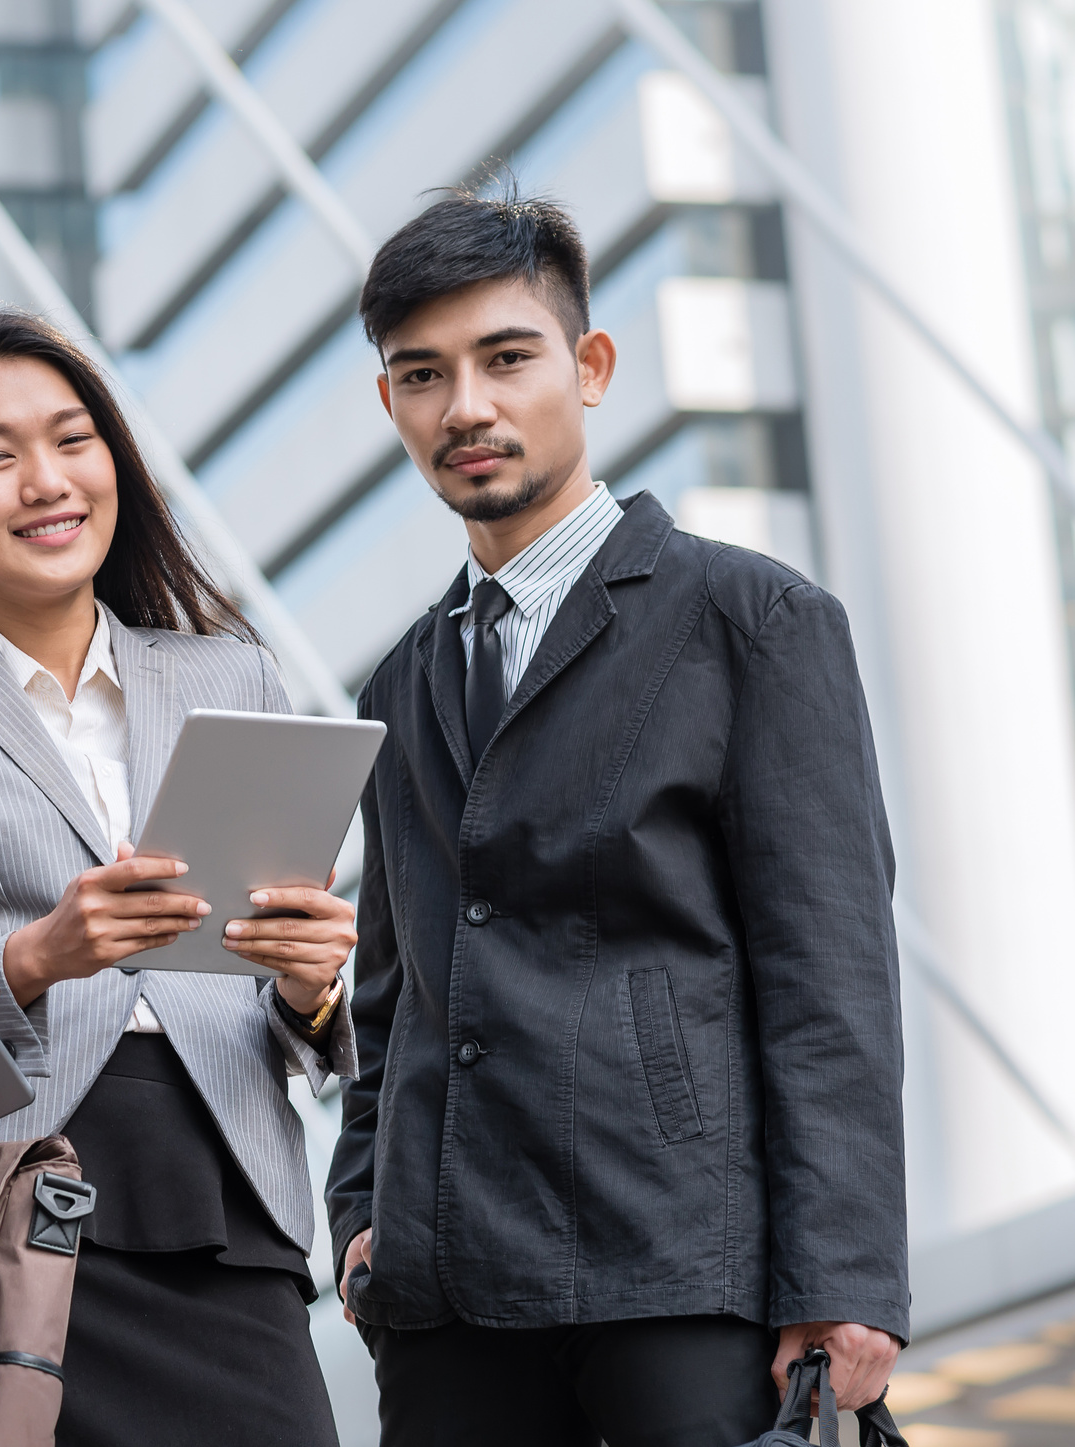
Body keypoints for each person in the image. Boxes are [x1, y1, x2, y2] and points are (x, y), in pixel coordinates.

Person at [329, 189, 908, 1445]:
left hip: (681, 1266)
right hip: (446, 1296)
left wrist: (845, 1276)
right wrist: (362, 1218)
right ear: (390, 405)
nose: (465, 407)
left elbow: (830, 975)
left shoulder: (749, 621)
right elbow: (391, 993)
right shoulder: (398, 684)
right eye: (420, 375)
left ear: (588, 366)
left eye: (505, 357)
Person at [0, 308, 358, 1447]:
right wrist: (32, 958)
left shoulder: (231, 674)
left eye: (72, 439)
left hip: (230, 1203)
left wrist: (313, 988)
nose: (45, 481)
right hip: (23, 1217)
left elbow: (290, 1004)